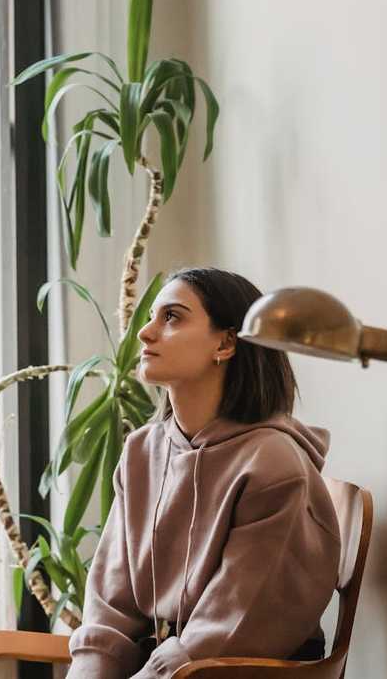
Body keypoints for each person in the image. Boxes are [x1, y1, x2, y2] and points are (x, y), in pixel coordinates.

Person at [66, 267, 341, 678]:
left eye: (172, 317)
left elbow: (233, 625)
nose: (145, 333)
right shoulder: (142, 451)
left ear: (227, 343)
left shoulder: (273, 465)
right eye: (151, 317)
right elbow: (110, 602)